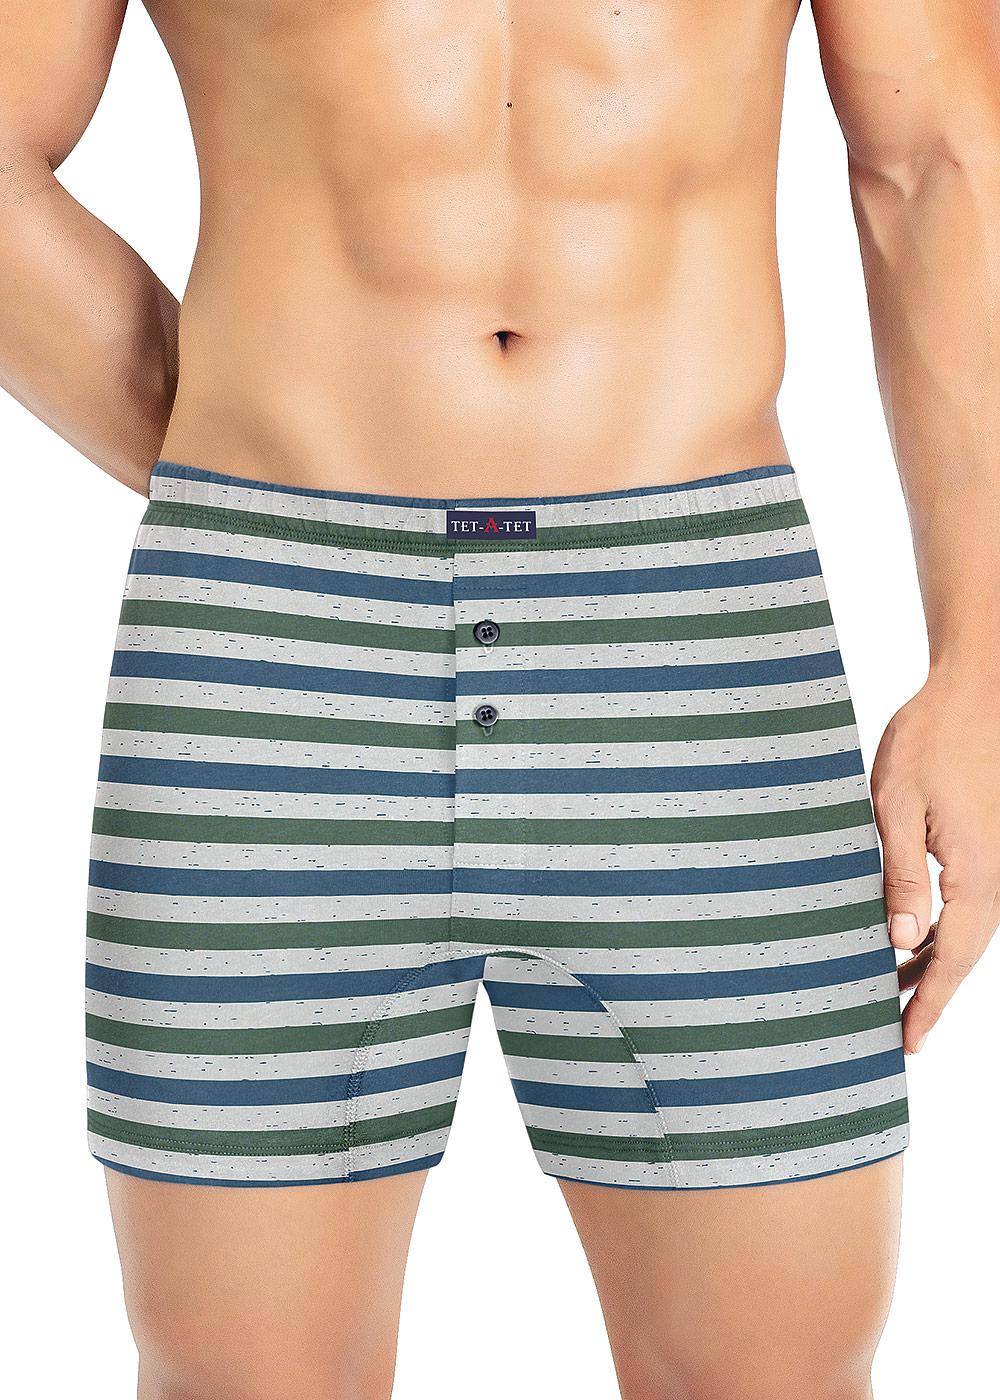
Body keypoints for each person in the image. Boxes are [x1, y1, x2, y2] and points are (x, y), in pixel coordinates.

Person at [2, 2, 999, 1397]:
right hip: (272, 647)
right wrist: (229, 454)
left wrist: (984, 664)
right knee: (240, 1379)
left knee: (776, 1374)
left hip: (698, 653)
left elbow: (937, 152)